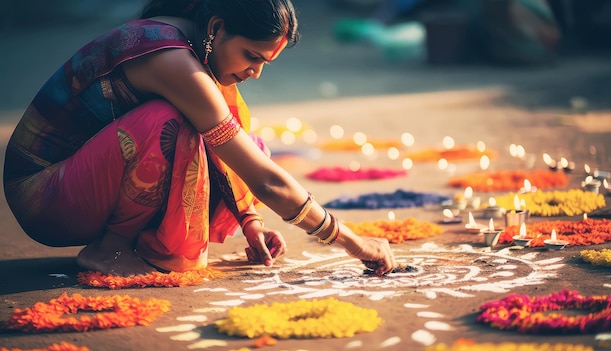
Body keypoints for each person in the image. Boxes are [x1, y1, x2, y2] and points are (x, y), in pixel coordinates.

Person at [3, 0, 396, 277]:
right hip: (43, 195)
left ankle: (134, 240)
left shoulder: (193, 44)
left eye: (264, 62)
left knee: (248, 141)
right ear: (216, 28)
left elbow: (243, 153)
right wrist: (352, 242)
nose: (255, 72)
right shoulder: (171, 59)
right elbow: (267, 180)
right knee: (168, 122)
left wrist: (249, 219)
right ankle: (112, 249)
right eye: (252, 56)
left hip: (84, 182)